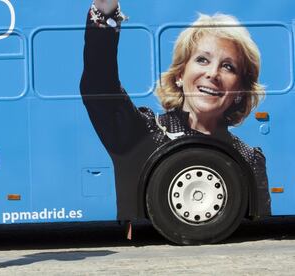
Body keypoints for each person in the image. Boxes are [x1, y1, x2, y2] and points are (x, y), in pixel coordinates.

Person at [80, 0, 271, 221]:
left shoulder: (250, 157)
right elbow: (98, 84)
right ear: (180, 75)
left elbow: (257, 224)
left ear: (239, 90)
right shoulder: (141, 131)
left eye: (228, 66)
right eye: (202, 60)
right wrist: (104, 11)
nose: (213, 73)